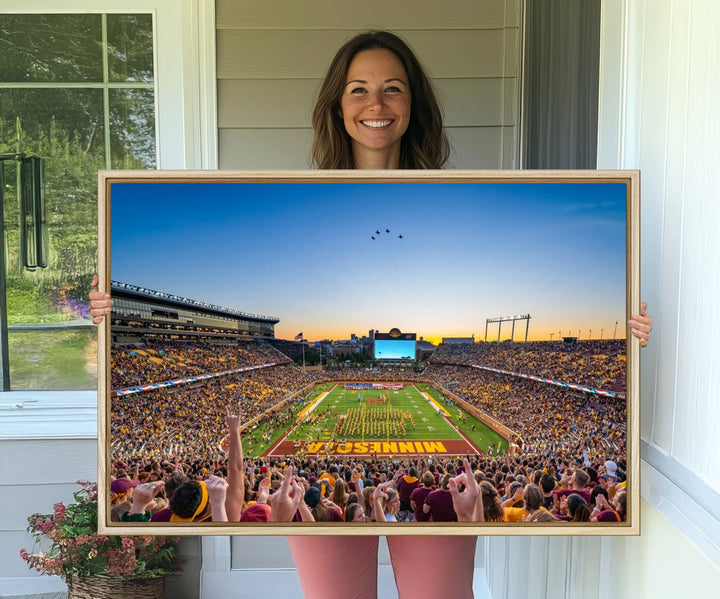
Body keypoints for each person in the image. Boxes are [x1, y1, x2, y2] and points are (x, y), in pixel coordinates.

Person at [90, 29, 653, 599]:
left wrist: (628, 337)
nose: (375, 104)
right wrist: (111, 315)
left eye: (393, 89)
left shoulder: (453, 195)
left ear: (414, 104)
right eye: (358, 89)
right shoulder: (302, 192)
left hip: (429, 498)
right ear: (338, 103)